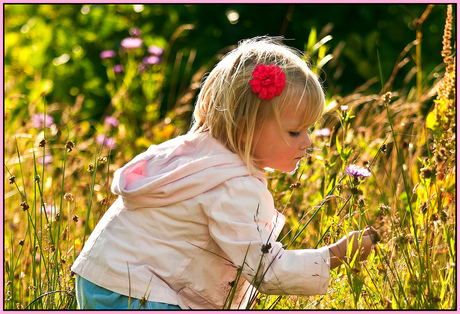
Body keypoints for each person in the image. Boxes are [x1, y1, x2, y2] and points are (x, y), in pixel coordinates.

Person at [71, 36, 375, 310]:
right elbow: (265, 271)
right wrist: (334, 255)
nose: (308, 142)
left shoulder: (195, 154)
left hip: (103, 282)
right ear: (245, 128)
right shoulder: (234, 185)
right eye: (295, 131)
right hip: (140, 295)